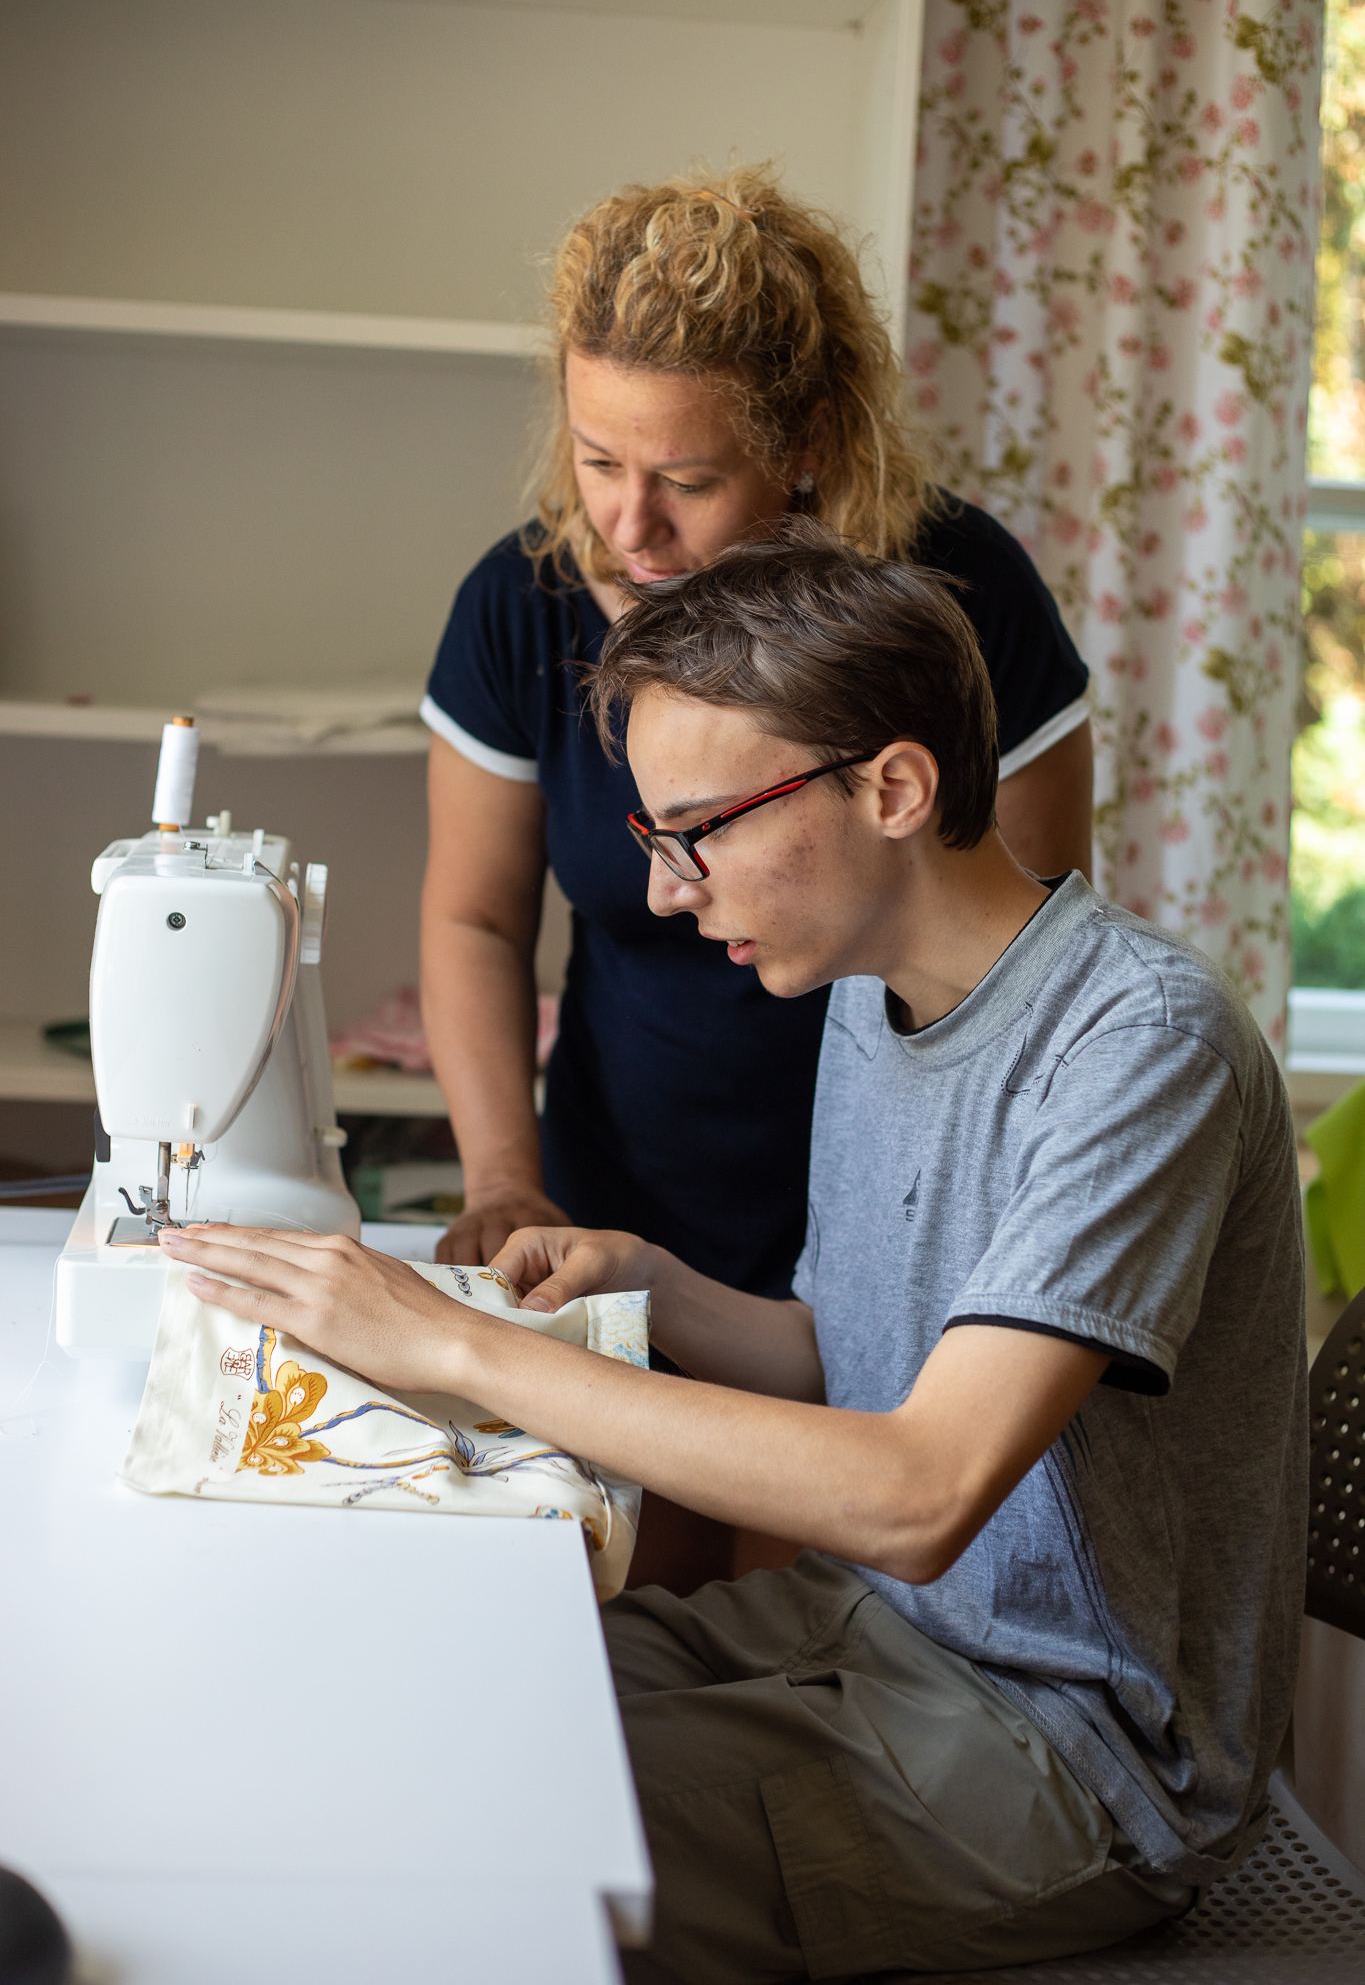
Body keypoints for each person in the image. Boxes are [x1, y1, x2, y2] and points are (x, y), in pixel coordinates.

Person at [166, 531, 1306, 1984]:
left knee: (440, 1832)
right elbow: (853, 1358)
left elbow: (918, 1489)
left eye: (699, 828)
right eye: (654, 836)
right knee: (389, 1700)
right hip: (870, 1631)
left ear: (892, 789)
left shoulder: (1139, 1047)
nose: (663, 890)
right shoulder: (869, 996)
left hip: (1079, 1756)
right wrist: (654, 1280)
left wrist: (456, 1345)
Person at [420, 163, 1092, 1306]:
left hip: (903, 1218)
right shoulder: (518, 604)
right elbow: (474, 917)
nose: (630, 525)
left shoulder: (964, 606)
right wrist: (502, 1180)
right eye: (598, 461)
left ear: (807, 441)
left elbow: (1025, 963)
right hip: (617, 1207)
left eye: (687, 479)